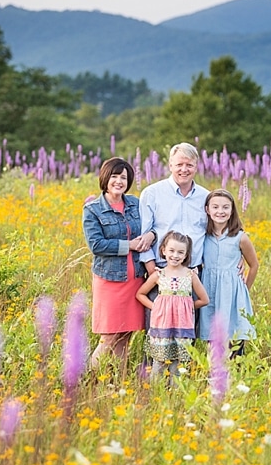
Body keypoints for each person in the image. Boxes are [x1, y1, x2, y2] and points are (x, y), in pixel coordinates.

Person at [82, 157, 154, 377]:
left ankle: (118, 381)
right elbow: (96, 245)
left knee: (126, 335)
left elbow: (153, 226)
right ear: (105, 178)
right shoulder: (93, 209)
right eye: (114, 176)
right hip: (110, 280)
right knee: (110, 336)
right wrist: (129, 245)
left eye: (123, 177)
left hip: (136, 280)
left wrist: (151, 235)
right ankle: (85, 379)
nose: (119, 181)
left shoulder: (136, 203)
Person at [139, 142, 210, 335]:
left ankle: (185, 367)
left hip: (192, 276)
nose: (184, 169)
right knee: (156, 333)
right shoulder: (152, 193)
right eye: (179, 164)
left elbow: (215, 233)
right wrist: (153, 271)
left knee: (186, 336)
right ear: (170, 165)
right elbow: (143, 237)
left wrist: (238, 254)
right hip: (160, 274)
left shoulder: (206, 197)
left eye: (189, 165)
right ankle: (151, 367)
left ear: (196, 166)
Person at [136, 231, 209, 381]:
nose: (175, 255)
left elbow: (204, 299)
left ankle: (176, 396)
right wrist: (155, 306)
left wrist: (188, 306)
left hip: (182, 327)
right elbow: (140, 294)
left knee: (177, 366)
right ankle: (155, 395)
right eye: (172, 251)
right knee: (159, 364)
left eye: (180, 252)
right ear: (163, 250)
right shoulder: (159, 275)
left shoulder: (190, 275)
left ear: (186, 255)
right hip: (162, 326)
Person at [198, 189, 259, 358]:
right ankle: (215, 373)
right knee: (213, 336)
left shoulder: (240, 237)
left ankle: (236, 372)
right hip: (210, 289)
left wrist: (244, 289)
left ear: (232, 210)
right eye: (215, 207)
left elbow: (253, 265)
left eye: (225, 207)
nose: (220, 211)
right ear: (207, 210)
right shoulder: (203, 235)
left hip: (232, 293)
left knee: (234, 334)